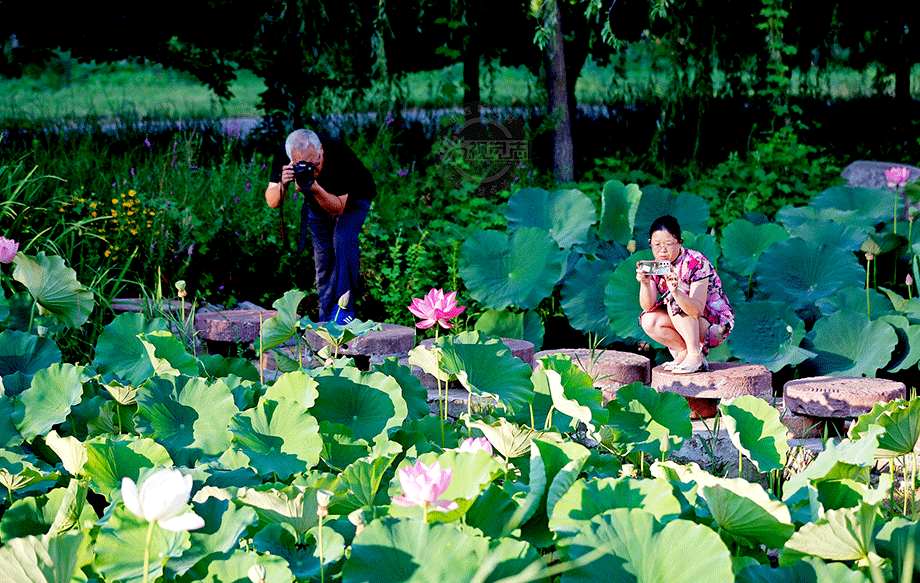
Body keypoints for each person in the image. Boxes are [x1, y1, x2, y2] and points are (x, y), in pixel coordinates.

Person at [265, 129, 376, 324]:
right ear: (292, 159)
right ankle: (326, 320)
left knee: (342, 240)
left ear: (321, 150)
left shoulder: (338, 151)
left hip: (354, 199)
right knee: (323, 260)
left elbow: (338, 209)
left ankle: (345, 312)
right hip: (317, 203)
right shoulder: (282, 154)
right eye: (303, 166)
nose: (312, 170)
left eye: (315, 164)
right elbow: (272, 202)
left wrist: (314, 187)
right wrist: (283, 184)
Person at [635, 215, 734, 374]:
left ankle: (695, 355)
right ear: (650, 243)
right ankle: (683, 352)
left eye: (668, 244)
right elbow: (647, 306)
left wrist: (676, 291)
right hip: (685, 322)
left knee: (674, 298)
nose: (662, 250)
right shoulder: (655, 265)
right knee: (648, 320)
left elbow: (696, 310)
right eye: (657, 244)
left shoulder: (696, 261)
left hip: (715, 324)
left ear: (680, 242)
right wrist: (645, 283)